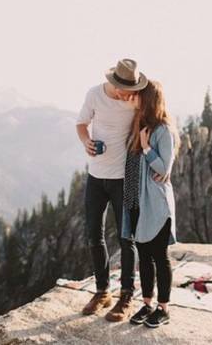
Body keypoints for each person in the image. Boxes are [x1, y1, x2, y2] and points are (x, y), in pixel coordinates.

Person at [76, 58, 164, 322]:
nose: (130, 94)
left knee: (128, 239)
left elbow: (159, 119)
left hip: (126, 178)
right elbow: (81, 124)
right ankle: (102, 292)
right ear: (115, 84)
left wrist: (162, 162)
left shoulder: (136, 102)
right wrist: (86, 142)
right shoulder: (94, 94)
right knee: (94, 235)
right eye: (127, 90)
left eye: (134, 89)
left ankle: (126, 296)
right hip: (96, 176)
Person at [121, 80, 180, 328]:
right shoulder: (138, 125)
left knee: (159, 256)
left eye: (138, 96)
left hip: (155, 204)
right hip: (136, 202)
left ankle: (163, 308)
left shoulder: (163, 130)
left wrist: (146, 148)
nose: (134, 99)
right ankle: (146, 304)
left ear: (149, 99)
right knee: (143, 256)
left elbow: (163, 169)